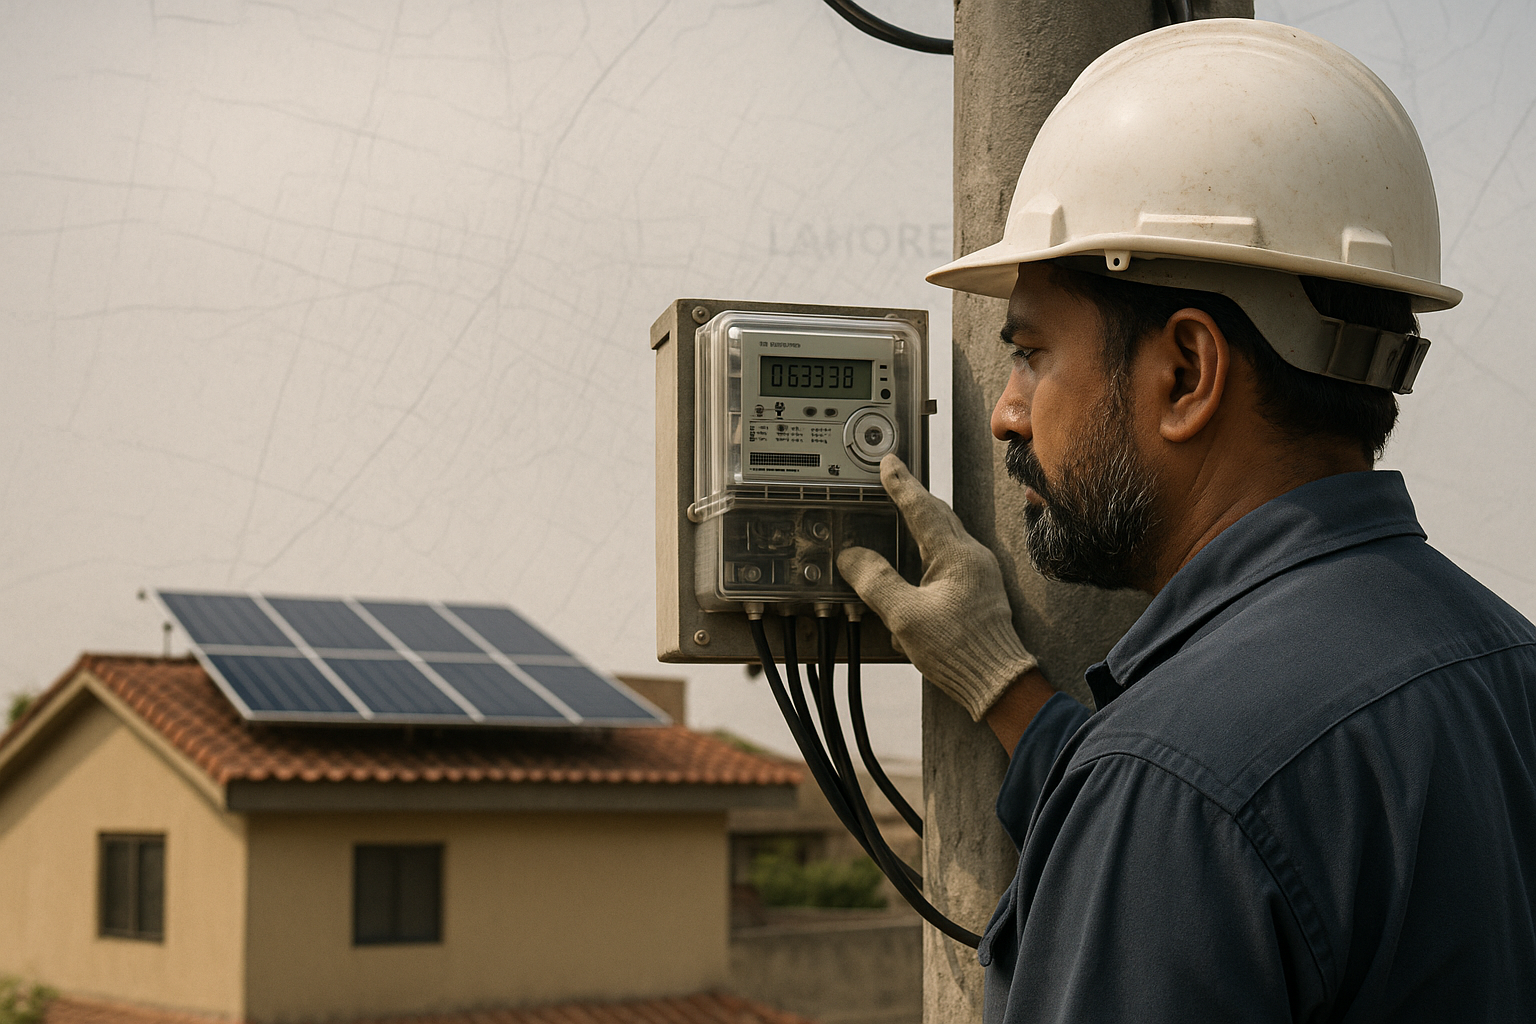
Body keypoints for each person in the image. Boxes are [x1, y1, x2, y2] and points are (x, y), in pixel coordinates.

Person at [836, 18, 1536, 1023]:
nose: (1004, 408)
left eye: (1031, 351)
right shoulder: (1505, 669)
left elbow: (1208, 807)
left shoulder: (1173, 788)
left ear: (1187, 373)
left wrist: (1131, 788)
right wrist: (1004, 685)